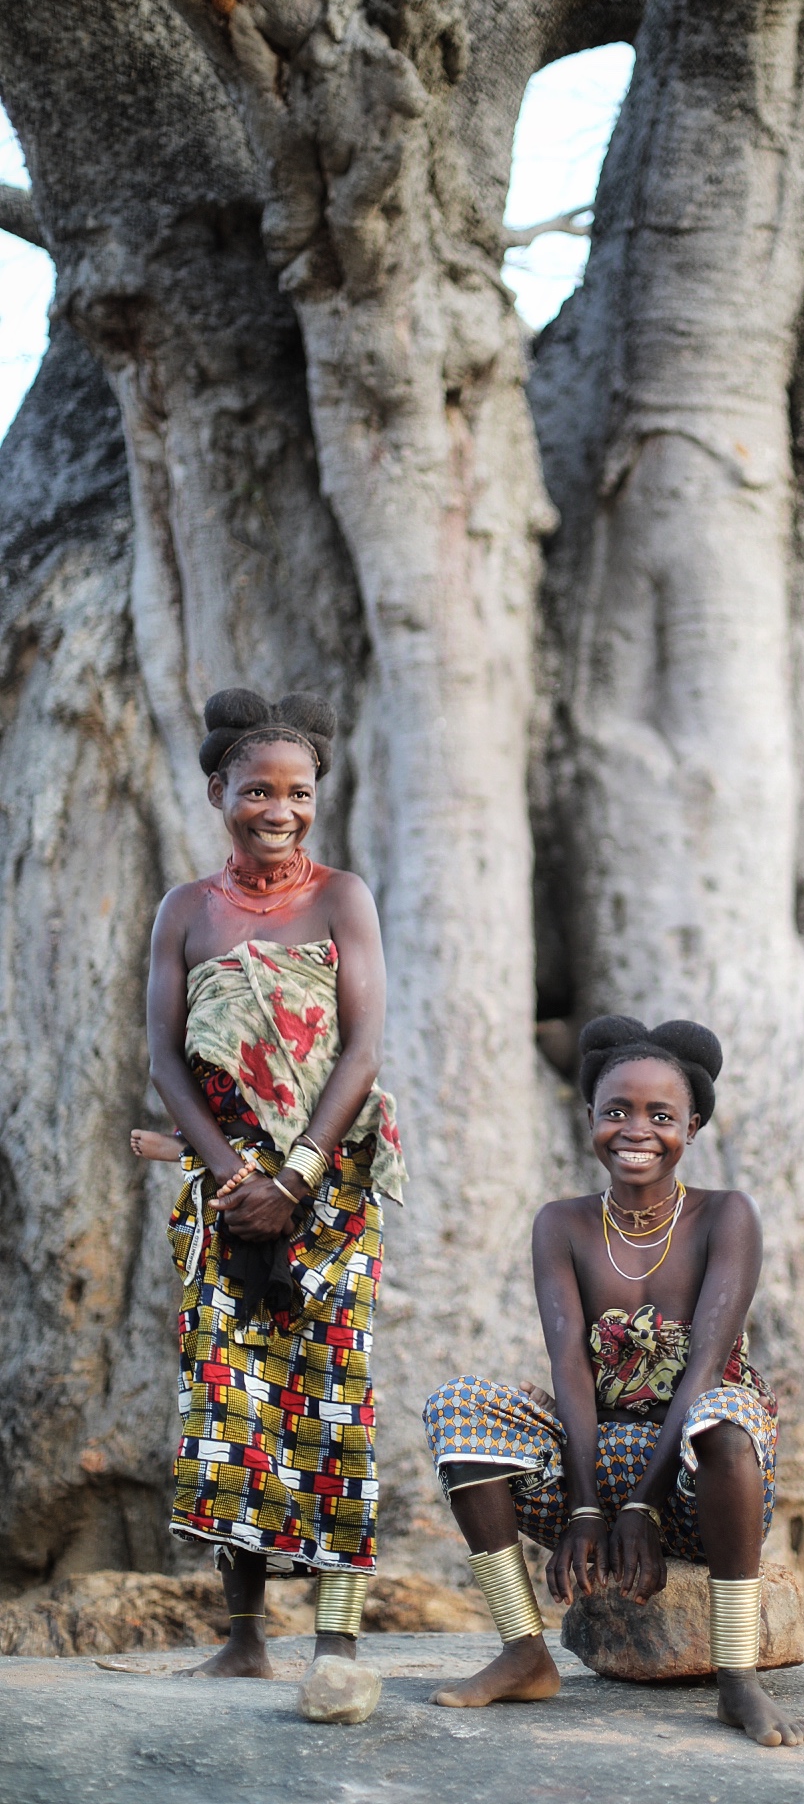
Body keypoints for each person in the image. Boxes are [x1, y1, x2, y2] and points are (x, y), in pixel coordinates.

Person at [422, 1016, 804, 1748]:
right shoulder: (561, 1224)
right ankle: (524, 1652)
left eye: (662, 1115)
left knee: (724, 1419)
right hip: (594, 1467)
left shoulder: (727, 1215)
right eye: (617, 1111)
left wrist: (645, 1508)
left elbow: (703, 1368)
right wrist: (591, 1507)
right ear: (591, 1117)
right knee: (457, 1407)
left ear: (692, 1127)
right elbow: (568, 1366)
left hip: (702, 1478)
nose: (637, 1129)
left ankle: (736, 1679)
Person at [146, 689, 406, 1687]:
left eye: (297, 792)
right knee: (228, 1403)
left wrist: (296, 1175)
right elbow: (166, 1060)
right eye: (257, 789)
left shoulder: (343, 898)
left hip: (330, 1186)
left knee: (332, 1398)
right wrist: (234, 1175)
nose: (279, 809)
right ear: (219, 791)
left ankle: (336, 1643)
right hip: (223, 1188)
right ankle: (245, 1635)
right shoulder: (185, 909)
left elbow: (363, 1049)